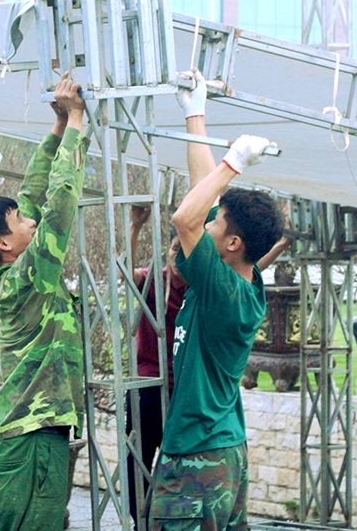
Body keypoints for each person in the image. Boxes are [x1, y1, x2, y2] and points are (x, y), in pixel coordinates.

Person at [147, 71, 285, 531]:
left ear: (233, 243)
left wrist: (236, 161)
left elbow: (185, 217)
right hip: (219, 450)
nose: (205, 227)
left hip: (197, 457)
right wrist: (195, 112)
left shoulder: (225, 293)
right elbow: (200, 197)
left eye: (216, 226)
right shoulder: (238, 279)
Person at [0, 73, 88, 531]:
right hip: (32, 437)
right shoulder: (26, 278)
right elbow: (59, 205)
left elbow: (32, 198)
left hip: (31, 432)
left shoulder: (7, 269)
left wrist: (55, 131)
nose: (29, 224)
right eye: (19, 223)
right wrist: (75, 122)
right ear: (3, 242)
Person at [126, 208, 288, 527]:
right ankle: (141, 519)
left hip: (197, 441)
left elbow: (188, 221)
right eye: (174, 249)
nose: (179, 253)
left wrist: (232, 164)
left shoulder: (211, 288)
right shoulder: (162, 281)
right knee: (140, 467)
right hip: (166, 401)